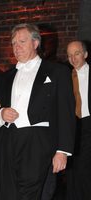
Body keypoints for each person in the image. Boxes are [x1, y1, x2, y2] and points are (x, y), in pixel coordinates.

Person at [0, 23, 76, 200]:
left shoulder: (57, 71)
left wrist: (62, 151)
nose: (16, 47)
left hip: (38, 140)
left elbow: (66, 113)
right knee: (6, 193)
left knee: (30, 195)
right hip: (8, 140)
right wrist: (1, 113)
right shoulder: (6, 76)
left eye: (22, 41)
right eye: (13, 43)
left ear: (35, 43)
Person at [66, 40, 91, 200]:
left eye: (77, 53)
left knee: (85, 169)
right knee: (72, 170)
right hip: (72, 126)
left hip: (89, 124)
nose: (73, 58)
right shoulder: (64, 76)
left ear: (85, 54)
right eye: (69, 55)